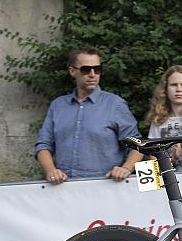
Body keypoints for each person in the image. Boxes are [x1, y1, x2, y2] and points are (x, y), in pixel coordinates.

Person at [35, 45, 143, 184]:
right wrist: (51, 171)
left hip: (106, 187)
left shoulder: (115, 104)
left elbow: (138, 145)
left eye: (97, 69)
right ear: (73, 71)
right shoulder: (58, 106)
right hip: (64, 188)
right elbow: (43, 145)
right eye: (86, 69)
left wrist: (126, 169)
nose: (92, 74)